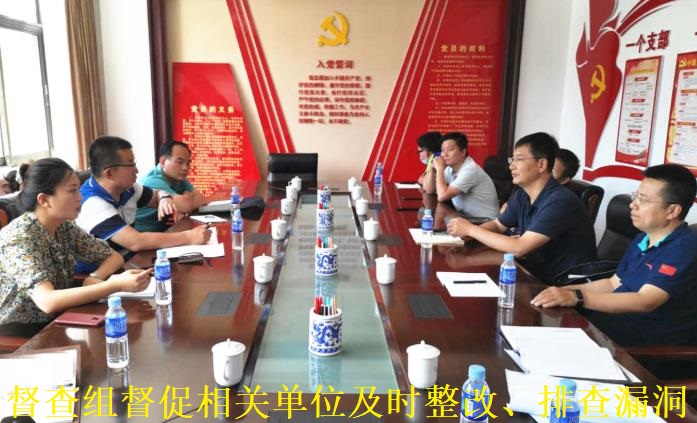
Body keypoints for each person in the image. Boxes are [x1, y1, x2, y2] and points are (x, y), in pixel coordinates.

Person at [532, 164, 697, 346]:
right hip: (606, 329)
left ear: (672, 211)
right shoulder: (643, 238)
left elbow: (646, 301)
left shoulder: (685, 248)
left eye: (643, 199)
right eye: (636, 196)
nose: (632, 204)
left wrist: (576, 297)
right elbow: (613, 283)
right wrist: (562, 291)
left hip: (640, 347)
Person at [0, 158, 151, 331]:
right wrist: (114, 285)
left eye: (79, 189)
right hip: (18, 329)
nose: (80, 197)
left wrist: (95, 277)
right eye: (72, 191)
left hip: (58, 316)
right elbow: (47, 301)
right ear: (44, 200)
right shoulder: (18, 238)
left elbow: (113, 256)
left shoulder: (63, 226)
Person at [446, 132, 597, 282]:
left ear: (541, 164)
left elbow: (520, 248)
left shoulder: (560, 201)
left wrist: (471, 230)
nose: (511, 166)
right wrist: (468, 235)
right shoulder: (523, 194)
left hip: (566, 283)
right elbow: (498, 225)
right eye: (512, 159)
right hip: (535, 273)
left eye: (519, 159)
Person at [76, 136, 211, 264]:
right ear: (110, 173)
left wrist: (164, 198)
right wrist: (189, 237)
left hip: (130, 261)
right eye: (131, 165)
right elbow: (135, 242)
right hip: (103, 273)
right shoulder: (92, 203)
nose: (137, 170)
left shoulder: (129, 188)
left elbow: (156, 195)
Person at [135, 140, 207, 232]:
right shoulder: (153, 180)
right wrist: (187, 202)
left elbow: (201, 200)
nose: (185, 168)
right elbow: (187, 204)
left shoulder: (178, 177)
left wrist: (185, 205)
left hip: (165, 231)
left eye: (188, 163)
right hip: (144, 235)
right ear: (163, 161)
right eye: (180, 162)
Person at [430, 132, 499, 219]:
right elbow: (429, 189)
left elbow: (442, 196)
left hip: (484, 221)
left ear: (463, 152)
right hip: (466, 218)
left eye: (450, 149)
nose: (444, 154)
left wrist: (439, 168)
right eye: (442, 150)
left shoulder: (470, 170)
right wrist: (432, 167)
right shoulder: (451, 168)